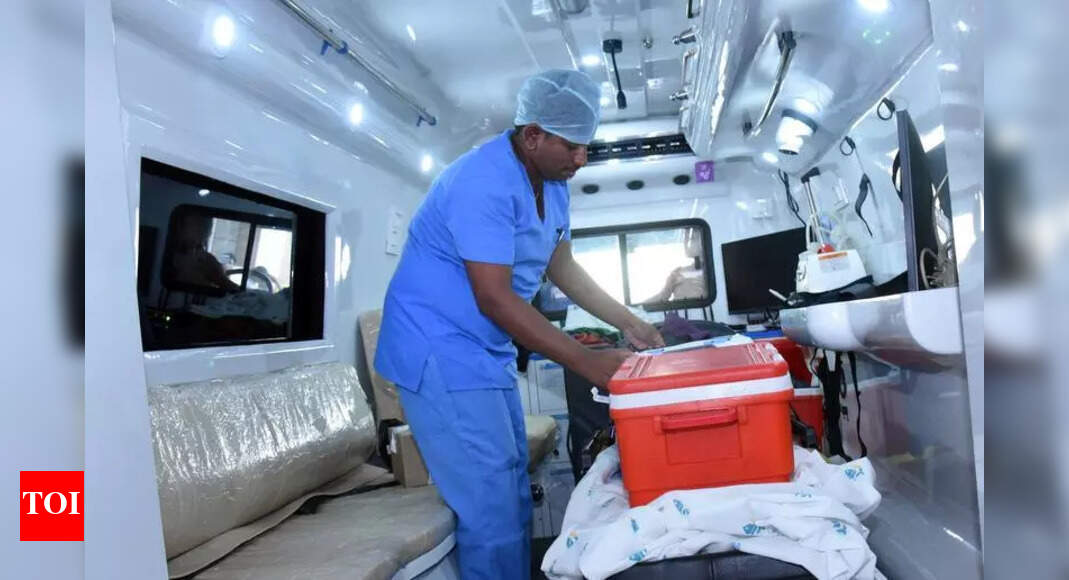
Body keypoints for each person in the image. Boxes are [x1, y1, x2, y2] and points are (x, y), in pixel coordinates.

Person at [374, 69, 664, 579]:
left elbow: (563, 267)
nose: (582, 159)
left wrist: (630, 322)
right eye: (572, 147)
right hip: (438, 350)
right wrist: (588, 363)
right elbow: (494, 297)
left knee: (511, 484)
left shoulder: (553, 184)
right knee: (490, 502)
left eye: (586, 146)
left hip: (483, 350)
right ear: (532, 135)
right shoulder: (481, 182)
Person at [645, 226, 707, 303]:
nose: (686, 242)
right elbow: (663, 296)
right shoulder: (678, 272)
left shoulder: (713, 270)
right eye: (685, 238)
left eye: (692, 238)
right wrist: (638, 307)